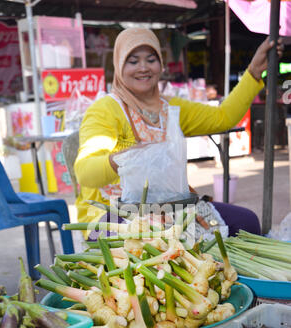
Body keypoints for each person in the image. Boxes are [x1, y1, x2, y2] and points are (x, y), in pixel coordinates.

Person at [74, 27, 283, 239]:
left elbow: (223, 118)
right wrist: (122, 159)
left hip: (170, 208)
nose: (143, 67)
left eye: (151, 59)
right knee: (151, 238)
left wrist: (254, 72)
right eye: (133, 61)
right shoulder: (104, 110)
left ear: (161, 64)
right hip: (113, 213)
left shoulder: (170, 108)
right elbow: (85, 172)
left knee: (246, 222)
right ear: (118, 65)